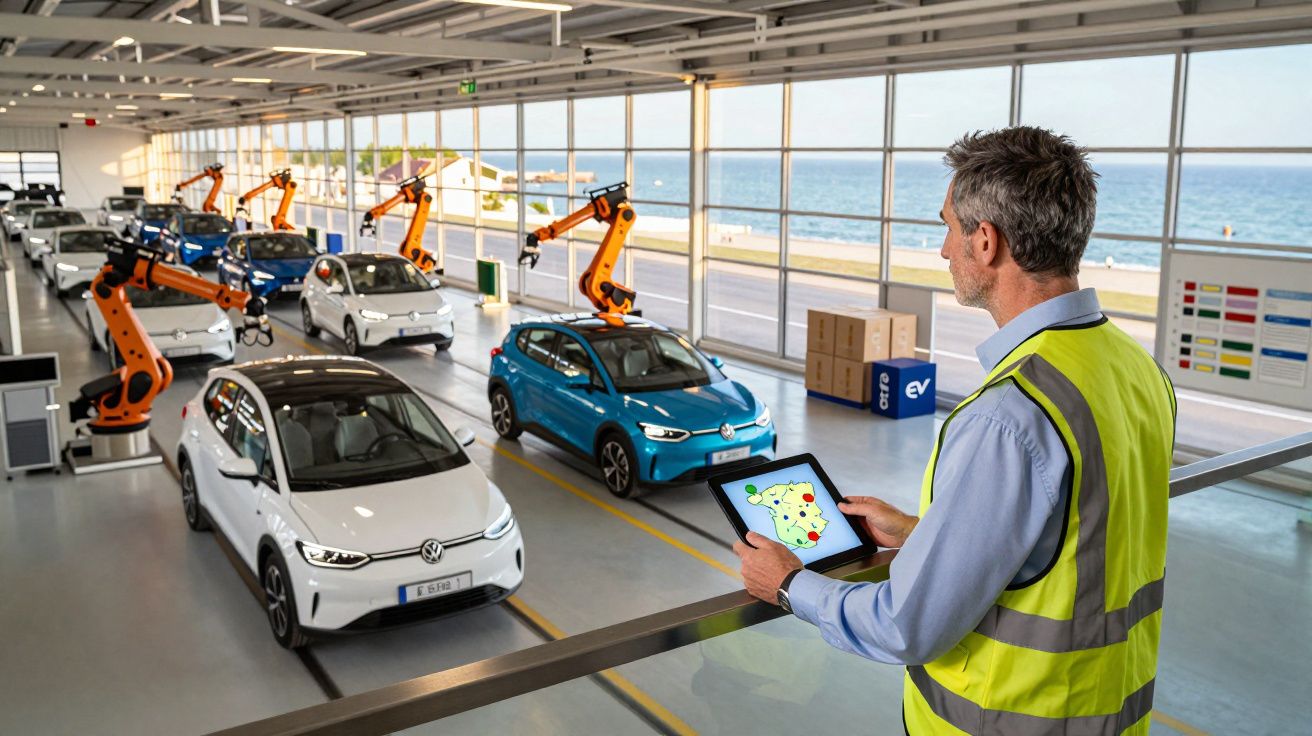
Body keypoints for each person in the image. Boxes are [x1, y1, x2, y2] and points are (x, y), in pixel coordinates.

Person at [735, 126, 1177, 734]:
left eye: (948, 228)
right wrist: (928, 535)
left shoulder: (1010, 413)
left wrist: (789, 584)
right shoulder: (1138, 370)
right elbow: (1079, 541)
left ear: (986, 242)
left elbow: (905, 625)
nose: (945, 250)